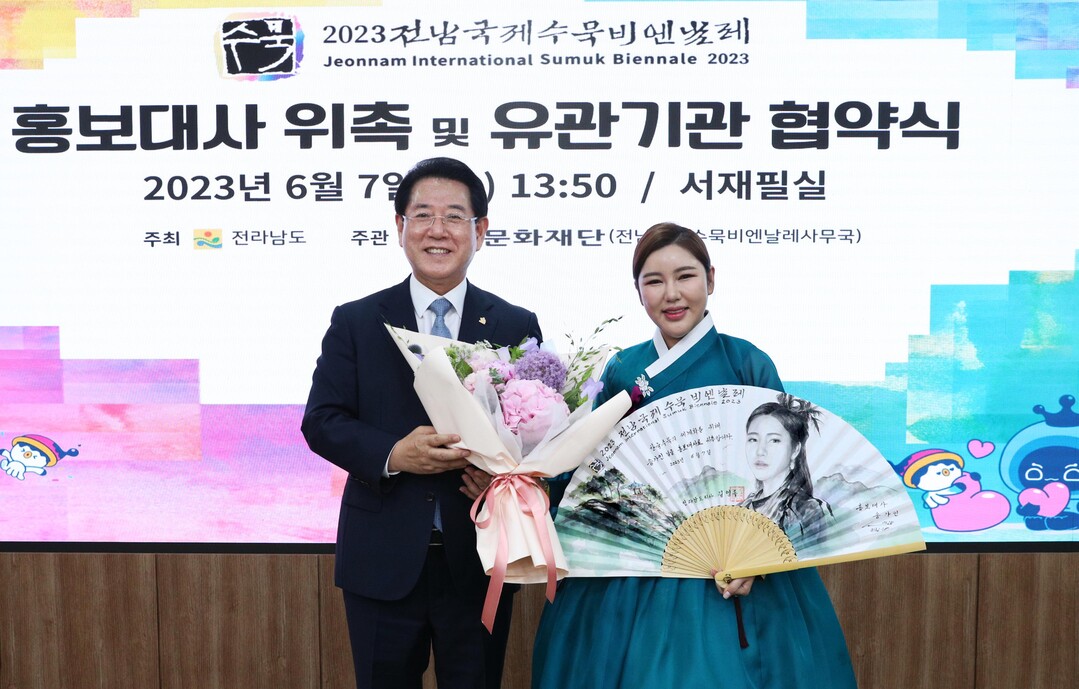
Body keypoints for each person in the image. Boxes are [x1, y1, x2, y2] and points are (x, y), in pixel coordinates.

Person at [533, 223, 856, 689]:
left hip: (735, 567)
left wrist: (757, 555)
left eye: (685, 276)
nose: (671, 294)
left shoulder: (747, 363)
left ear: (710, 278)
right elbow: (593, 468)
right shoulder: (622, 369)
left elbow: (781, 467)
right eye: (654, 281)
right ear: (638, 290)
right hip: (634, 565)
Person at [302, 157, 542, 689]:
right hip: (381, 558)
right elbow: (321, 421)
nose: (438, 230)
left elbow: (536, 429)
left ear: (480, 230)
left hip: (477, 558)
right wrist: (394, 454)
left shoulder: (513, 325)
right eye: (423, 215)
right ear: (400, 225)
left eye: (454, 216)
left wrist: (505, 477)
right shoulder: (357, 320)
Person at [741, 395, 833, 550]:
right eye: (753, 439)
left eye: (774, 440)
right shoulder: (741, 509)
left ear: (795, 449)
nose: (760, 451)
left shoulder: (807, 511)